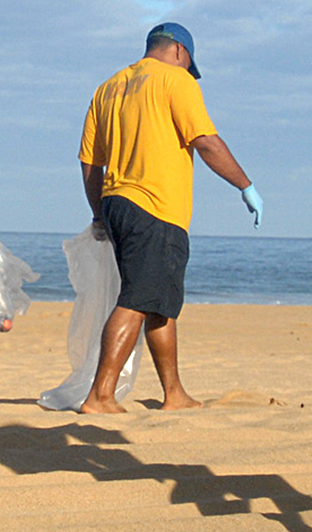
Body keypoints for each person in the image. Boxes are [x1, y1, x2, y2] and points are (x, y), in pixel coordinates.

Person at [77, 22, 262, 414]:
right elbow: (206, 142)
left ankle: (174, 393)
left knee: (159, 300)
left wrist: (99, 213)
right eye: (189, 63)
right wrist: (245, 185)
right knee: (137, 298)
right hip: (155, 206)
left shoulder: (108, 87)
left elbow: (90, 161)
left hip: (116, 201)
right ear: (180, 51)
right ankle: (100, 395)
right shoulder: (177, 82)